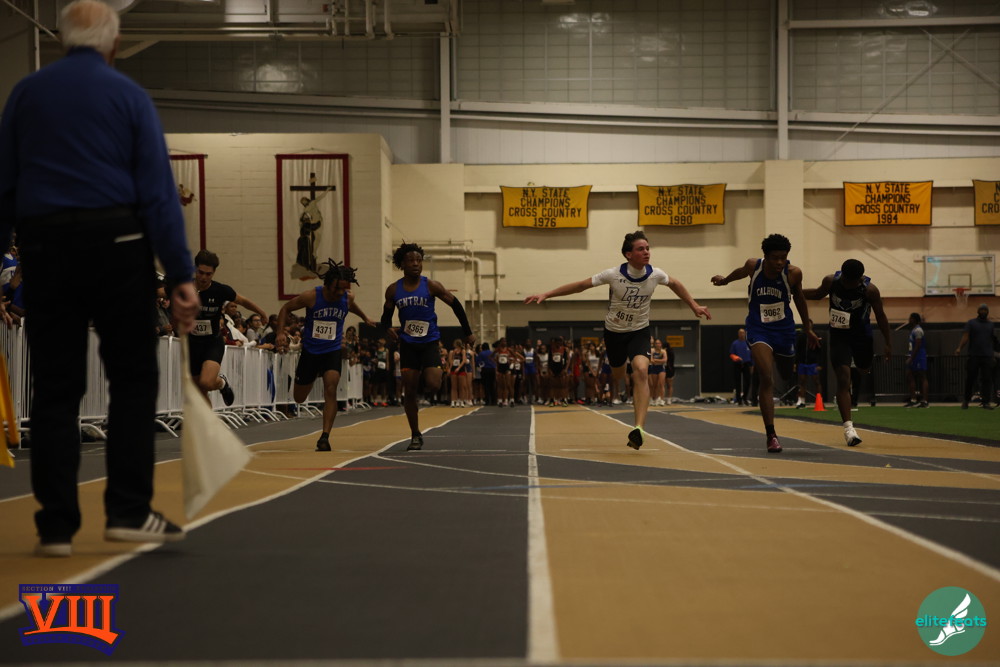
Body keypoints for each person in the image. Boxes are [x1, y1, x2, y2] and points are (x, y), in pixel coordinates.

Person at [0, 0, 200, 556]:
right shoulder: (129, 96)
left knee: (55, 386)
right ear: (114, 43)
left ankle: (55, 527)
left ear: (61, 39)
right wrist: (180, 274)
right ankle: (128, 511)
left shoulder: (25, 94)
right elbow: (157, 193)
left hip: (45, 246)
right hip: (118, 245)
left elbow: (4, 189)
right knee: (132, 378)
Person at [526, 230, 711, 449]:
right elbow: (580, 285)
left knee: (641, 370)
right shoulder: (613, 275)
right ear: (628, 254)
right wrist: (547, 294)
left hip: (639, 331)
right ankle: (622, 379)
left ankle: (639, 428)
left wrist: (694, 306)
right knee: (618, 374)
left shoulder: (656, 274)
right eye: (641, 249)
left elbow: (676, 284)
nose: (647, 252)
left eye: (648, 248)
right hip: (614, 333)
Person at [712, 234, 818, 454]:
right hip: (758, 328)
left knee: (786, 373)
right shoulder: (754, 266)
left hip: (784, 330)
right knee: (766, 376)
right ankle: (771, 434)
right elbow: (740, 272)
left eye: (783, 257)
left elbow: (799, 298)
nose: (780, 262)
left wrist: (807, 327)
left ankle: (783, 361)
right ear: (766, 257)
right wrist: (725, 280)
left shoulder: (793, 273)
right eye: (775, 258)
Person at [381, 242, 476, 450]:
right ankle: (415, 434)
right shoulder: (393, 290)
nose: (416, 264)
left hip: (429, 342)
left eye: (419, 260)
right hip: (408, 344)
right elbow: (386, 316)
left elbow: (455, 304)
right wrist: (386, 327)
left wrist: (467, 332)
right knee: (409, 391)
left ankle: (425, 377)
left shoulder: (431, 285)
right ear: (402, 264)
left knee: (433, 384)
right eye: (411, 261)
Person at [276, 260, 376, 450]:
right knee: (299, 397)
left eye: (344, 289)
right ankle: (311, 375)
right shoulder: (311, 296)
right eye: (337, 289)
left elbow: (351, 305)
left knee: (331, 388)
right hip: (311, 351)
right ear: (328, 284)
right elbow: (285, 308)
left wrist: (364, 317)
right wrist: (280, 332)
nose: (341, 293)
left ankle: (325, 437)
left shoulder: (347, 297)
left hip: (332, 350)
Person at [803, 260, 891, 446]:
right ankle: (849, 430)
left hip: (861, 336)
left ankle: (854, 371)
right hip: (839, 336)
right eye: (845, 281)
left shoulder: (870, 290)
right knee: (843, 379)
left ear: (860, 279)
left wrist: (888, 343)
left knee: (864, 369)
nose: (847, 285)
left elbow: (881, 315)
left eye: (851, 283)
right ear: (841, 275)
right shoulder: (831, 281)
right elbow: (817, 294)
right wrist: (793, 291)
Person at [190, 249, 267, 405]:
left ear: (214, 273)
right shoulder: (184, 287)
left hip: (212, 342)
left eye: (208, 274)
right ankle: (208, 420)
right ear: (195, 269)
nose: (204, 277)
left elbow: (243, 301)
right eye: (201, 272)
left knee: (206, 382)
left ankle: (222, 383)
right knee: (200, 390)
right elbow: (161, 292)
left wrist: (261, 312)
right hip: (192, 344)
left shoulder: (220, 290)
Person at [955, 304, 996, 410]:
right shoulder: (971, 323)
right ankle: (966, 400)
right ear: (978, 311)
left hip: (987, 356)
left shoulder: (991, 324)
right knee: (970, 378)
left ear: (988, 312)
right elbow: (965, 336)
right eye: (982, 310)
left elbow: (991, 340)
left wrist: (993, 354)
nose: (983, 311)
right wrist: (959, 348)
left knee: (987, 379)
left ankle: (985, 402)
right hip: (974, 355)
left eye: (985, 310)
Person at [794, 322, 821, 408]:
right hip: (802, 363)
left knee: (816, 382)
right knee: (802, 382)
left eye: (810, 324)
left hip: (813, 363)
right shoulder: (801, 336)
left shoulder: (816, 335)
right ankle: (802, 401)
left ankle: (819, 401)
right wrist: (795, 363)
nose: (808, 325)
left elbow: (819, 351)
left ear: (812, 325)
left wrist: (819, 363)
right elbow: (797, 350)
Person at [904, 312, 929, 408]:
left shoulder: (918, 330)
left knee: (922, 377)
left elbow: (918, 345)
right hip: (914, 356)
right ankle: (913, 399)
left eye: (910, 318)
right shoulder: (914, 330)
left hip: (919, 356)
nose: (909, 320)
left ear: (914, 319)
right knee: (909, 375)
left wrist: (911, 358)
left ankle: (925, 401)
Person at [729, 328, 752, 405]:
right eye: (740, 333)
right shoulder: (735, 343)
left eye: (743, 333)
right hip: (737, 364)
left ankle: (745, 397)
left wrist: (752, 364)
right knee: (738, 382)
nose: (742, 334)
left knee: (748, 381)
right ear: (738, 334)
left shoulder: (748, 343)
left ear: (745, 334)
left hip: (746, 364)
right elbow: (731, 354)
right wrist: (737, 358)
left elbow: (751, 354)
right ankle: (739, 400)